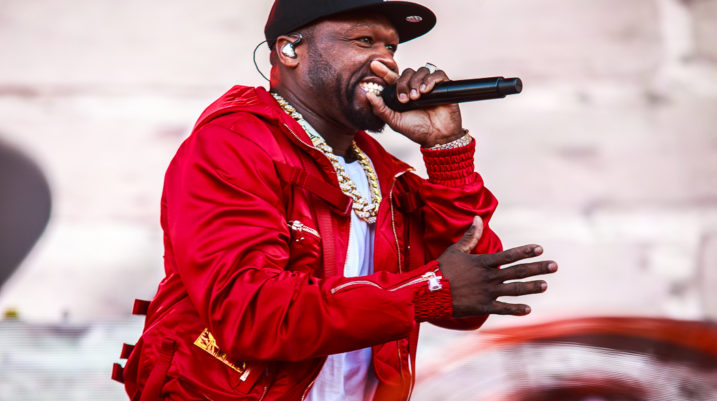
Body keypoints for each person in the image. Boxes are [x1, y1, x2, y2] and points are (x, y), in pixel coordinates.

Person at [115, 1, 558, 400]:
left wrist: (446, 152)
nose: (386, 60)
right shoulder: (232, 146)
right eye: (364, 40)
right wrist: (424, 293)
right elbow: (251, 314)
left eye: (391, 47)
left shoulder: (386, 174)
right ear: (290, 50)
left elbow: (467, 298)